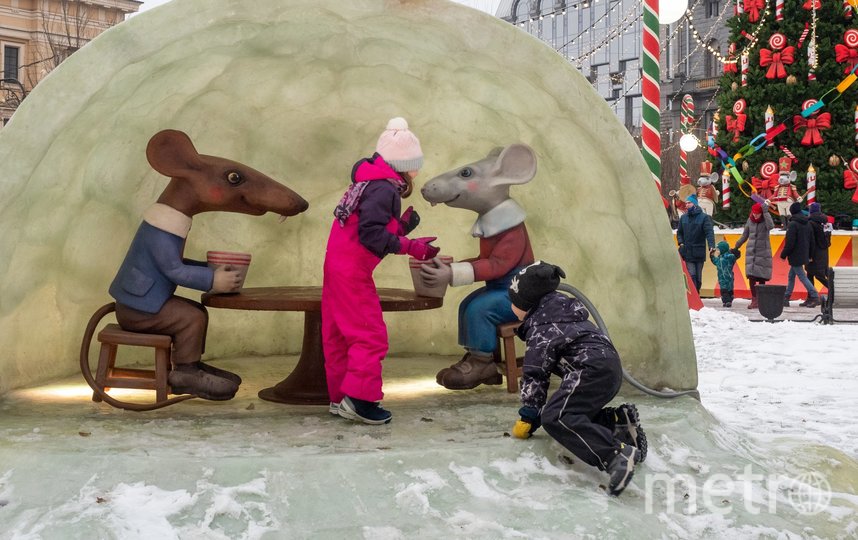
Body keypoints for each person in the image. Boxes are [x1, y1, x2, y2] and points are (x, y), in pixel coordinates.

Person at [321, 117, 439, 424]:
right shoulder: (384, 189)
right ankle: (360, 401)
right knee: (369, 335)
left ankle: (340, 398)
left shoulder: (367, 183)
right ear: (405, 164)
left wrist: (400, 227)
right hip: (352, 273)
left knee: (337, 334)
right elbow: (371, 236)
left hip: (336, 268)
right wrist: (412, 247)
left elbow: (366, 228)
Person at [508, 261, 647, 497]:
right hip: (608, 366)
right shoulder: (563, 312)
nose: (510, 306)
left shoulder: (542, 326)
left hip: (589, 369)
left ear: (527, 303)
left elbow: (535, 372)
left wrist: (529, 415)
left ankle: (615, 455)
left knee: (556, 417)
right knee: (573, 411)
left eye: (514, 301)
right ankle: (617, 422)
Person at [734, 201, 775, 310]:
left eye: (758, 213)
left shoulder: (765, 220)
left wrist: (766, 212)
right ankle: (754, 299)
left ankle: (761, 300)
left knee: (761, 277)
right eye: (754, 213)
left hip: (763, 252)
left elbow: (771, 226)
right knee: (751, 276)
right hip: (752, 252)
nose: (755, 215)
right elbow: (745, 235)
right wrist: (736, 246)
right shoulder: (750, 220)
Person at [780, 201, 819, 308]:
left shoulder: (792, 224)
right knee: (791, 276)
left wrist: (784, 254)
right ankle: (786, 297)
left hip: (795, 255)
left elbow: (790, 242)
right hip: (804, 254)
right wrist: (810, 254)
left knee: (802, 276)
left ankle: (815, 296)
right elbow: (812, 241)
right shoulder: (807, 223)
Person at [676, 194, 716, 292]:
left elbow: (709, 232)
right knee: (691, 274)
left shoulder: (704, 218)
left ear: (694, 204)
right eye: (686, 203)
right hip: (687, 251)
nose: (686, 205)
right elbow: (679, 232)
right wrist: (681, 243)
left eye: (689, 203)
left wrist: (711, 246)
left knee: (698, 277)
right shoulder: (683, 218)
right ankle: (694, 296)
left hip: (699, 251)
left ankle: (696, 293)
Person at [805, 202, 831, 291]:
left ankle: (833, 290)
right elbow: (828, 237)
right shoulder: (825, 222)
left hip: (814, 253)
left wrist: (809, 255)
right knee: (811, 274)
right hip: (824, 252)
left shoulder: (810, 223)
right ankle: (811, 296)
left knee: (817, 275)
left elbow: (810, 240)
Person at [710, 240, 740, 307]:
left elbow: (735, 256)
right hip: (721, 278)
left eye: (718, 250)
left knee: (730, 289)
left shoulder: (729, 257)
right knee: (723, 290)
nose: (717, 252)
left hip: (729, 277)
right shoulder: (718, 259)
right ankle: (726, 301)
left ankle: (730, 298)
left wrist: (735, 252)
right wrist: (711, 255)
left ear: (723, 250)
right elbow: (714, 261)